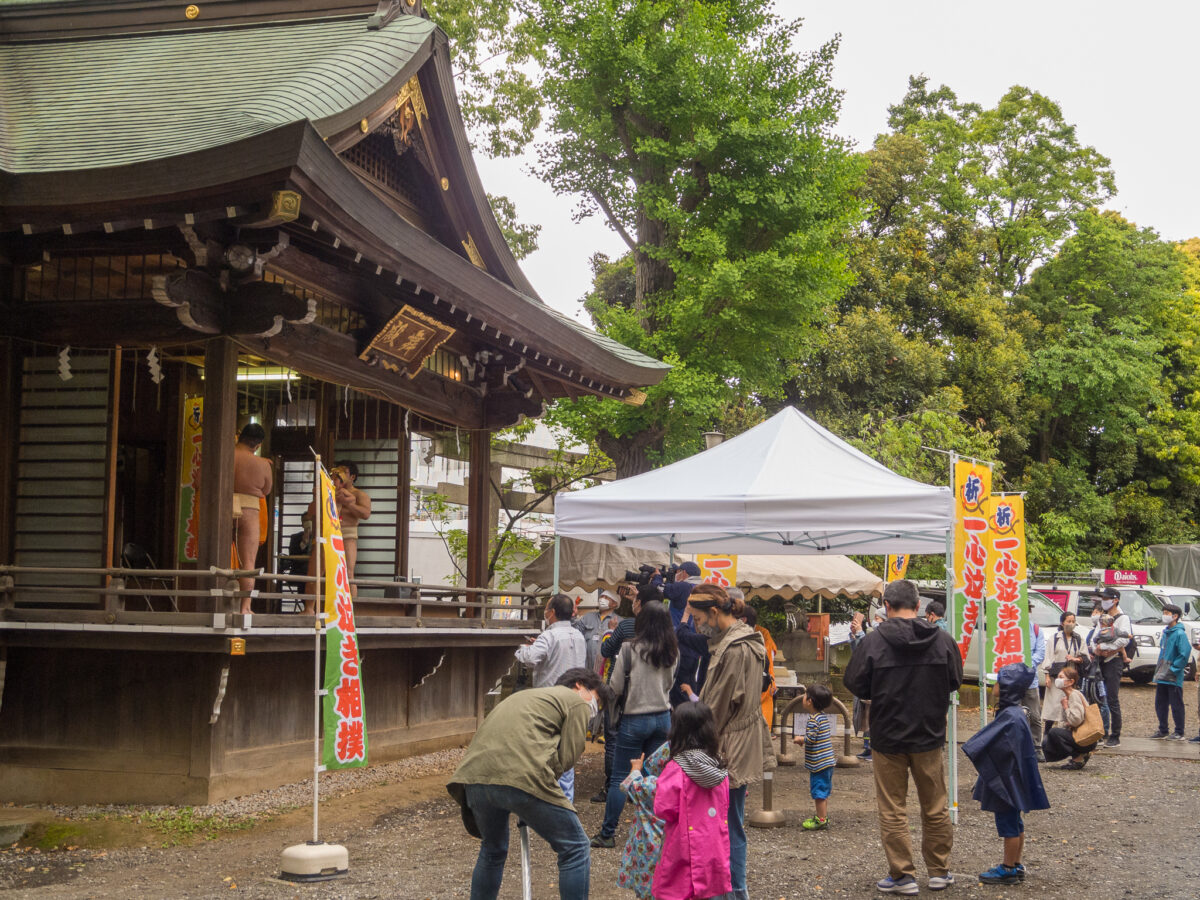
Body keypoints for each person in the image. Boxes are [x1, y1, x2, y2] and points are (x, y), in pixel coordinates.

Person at [843, 579, 962, 896]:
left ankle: (903, 875)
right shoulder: (943, 640)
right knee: (935, 805)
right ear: (919, 605)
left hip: (887, 736)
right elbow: (954, 681)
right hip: (929, 735)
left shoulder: (873, 641)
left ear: (887, 606)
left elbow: (855, 683)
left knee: (893, 808)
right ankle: (939, 871)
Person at [447, 667, 606, 900]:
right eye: (596, 699)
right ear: (580, 684)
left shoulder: (523, 697)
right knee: (576, 847)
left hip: (474, 778)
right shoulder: (574, 701)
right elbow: (567, 757)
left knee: (492, 850)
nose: (594, 707)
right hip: (521, 776)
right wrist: (537, 794)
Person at [687, 583, 774, 900]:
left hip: (728, 746)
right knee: (729, 821)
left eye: (698, 619)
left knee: (725, 824)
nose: (697, 627)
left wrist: (691, 740)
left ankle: (733, 891)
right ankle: (732, 889)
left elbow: (717, 708)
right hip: (736, 742)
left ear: (714, 612)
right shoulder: (742, 641)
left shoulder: (735, 649)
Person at [592, 602, 679, 848]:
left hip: (634, 718)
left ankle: (607, 833)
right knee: (655, 776)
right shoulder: (673, 651)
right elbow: (669, 684)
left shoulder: (629, 649)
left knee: (621, 776)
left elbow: (616, 687)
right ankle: (656, 832)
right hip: (663, 717)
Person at [963, 664, 1050, 886]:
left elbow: (989, 745)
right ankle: (1016, 863)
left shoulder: (1010, 717)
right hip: (1014, 778)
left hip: (1007, 780)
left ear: (1007, 688)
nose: (994, 685)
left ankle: (1008, 868)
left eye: (998, 682)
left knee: (1008, 825)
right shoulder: (1016, 713)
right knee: (1016, 822)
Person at [652, 701, 732, 900]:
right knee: (710, 890)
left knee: (676, 889)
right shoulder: (719, 768)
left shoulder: (676, 768)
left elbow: (664, 808)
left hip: (682, 844)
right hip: (714, 844)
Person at [516, 593, 587, 802]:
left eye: (547, 608)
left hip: (549, 701)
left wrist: (522, 649)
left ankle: (544, 799)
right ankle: (566, 801)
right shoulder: (578, 635)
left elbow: (531, 658)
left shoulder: (549, 635)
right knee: (567, 752)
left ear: (552, 612)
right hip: (574, 700)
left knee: (544, 751)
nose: (545, 612)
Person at [303, 462, 371, 614]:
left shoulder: (359, 495)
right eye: (336, 472)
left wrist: (349, 504)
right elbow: (310, 512)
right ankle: (309, 608)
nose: (338, 475)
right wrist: (320, 497)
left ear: (352, 477)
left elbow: (366, 514)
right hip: (326, 533)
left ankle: (350, 611)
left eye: (343, 472)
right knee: (315, 572)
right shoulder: (327, 490)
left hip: (348, 534)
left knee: (348, 573)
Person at [615, 742, 671, 900]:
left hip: (649, 853)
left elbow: (629, 785)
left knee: (648, 889)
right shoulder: (692, 783)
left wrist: (636, 768)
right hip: (677, 852)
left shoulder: (652, 786)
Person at [232, 423, 272, 615]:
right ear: (258, 444)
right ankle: (245, 607)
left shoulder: (224, 455)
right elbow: (266, 490)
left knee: (218, 557)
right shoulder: (263, 464)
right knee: (248, 562)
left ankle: (215, 604)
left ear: (240, 437)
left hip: (221, 506)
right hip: (249, 508)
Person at [1088, 586, 1130, 747]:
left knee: (1112, 698)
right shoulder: (1103, 617)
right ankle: (1099, 731)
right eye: (1103, 598)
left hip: (1114, 661)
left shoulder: (1123, 618)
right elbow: (1094, 638)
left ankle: (1115, 734)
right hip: (1100, 661)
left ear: (1115, 600)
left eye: (1106, 598)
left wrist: (1106, 648)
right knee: (1097, 696)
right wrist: (1097, 649)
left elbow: (1124, 639)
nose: (1104, 601)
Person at [792, 683, 836, 831]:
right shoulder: (822, 717)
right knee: (823, 791)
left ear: (810, 701)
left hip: (819, 763)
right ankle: (822, 816)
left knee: (818, 793)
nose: (803, 697)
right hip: (827, 761)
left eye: (805, 695)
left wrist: (800, 739)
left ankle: (821, 820)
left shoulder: (813, 720)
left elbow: (811, 738)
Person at [1041, 665, 1099, 769]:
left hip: (1085, 737)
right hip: (1081, 737)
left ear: (1071, 682)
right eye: (1058, 677)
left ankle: (1079, 757)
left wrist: (1066, 707)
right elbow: (1064, 722)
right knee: (1047, 741)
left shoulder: (1073, 695)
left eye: (1061, 677)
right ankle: (1078, 755)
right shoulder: (1066, 696)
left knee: (1054, 732)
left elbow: (1076, 720)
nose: (1058, 680)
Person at [1041, 611, 1088, 734]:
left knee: (1070, 703)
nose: (1071, 624)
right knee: (1052, 706)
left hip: (1071, 678)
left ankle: (1068, 732)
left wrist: (1076, 659)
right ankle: (1047, 733)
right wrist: (1047, 676)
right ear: (1062, 623)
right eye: (1068, 621)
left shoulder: (1079, 639)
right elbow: (1048, 658)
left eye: (1073, 621)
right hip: (1056, 677)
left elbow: (1085, 657)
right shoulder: (1054, 639)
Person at [1150, 603, 1191, 740]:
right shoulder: (1166, 633)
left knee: (1176, 704)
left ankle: (1179, 731)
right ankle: (1163, 730)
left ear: (1175, 616)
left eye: (1167, 613)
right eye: (1164, 613)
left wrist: (1174, 669)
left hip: (1173, 675)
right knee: (1160, 703)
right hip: (1162, 673)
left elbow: (1184, 654)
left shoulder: (1180, 634)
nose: (1164, 615)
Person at [739, 602, 778, 728]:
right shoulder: (761, 633)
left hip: (760, 684)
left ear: (743, 619)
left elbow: (768, 659)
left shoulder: (762, 634)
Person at [577, 590, 623, 673]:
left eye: (606, 597)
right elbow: (576, 633)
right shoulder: (588, 617)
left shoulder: (620, 621)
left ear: (614, 604)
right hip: (587, 668)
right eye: (601, 596)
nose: (602, 599)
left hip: (607, 670)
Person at [849, 611, 873, 760]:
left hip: (872, 687)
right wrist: (854, 635)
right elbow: (857, 653)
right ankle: (867, 747)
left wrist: (859, 633)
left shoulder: (878, 639)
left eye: (878, 618)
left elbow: (866, 651)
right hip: (864, 686)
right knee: (865, 719)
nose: (875, 621)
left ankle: (872, 749)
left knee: (871, 719)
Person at [1023, 615, 1046, 761]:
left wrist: (1025, 663)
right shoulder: (1008, 627)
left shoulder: (1036, 630)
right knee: (1013, 714)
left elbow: (1040, 653)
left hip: (1030, 679)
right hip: (1011, 679)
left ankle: (1037, 746)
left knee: (1035, 715)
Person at [663, 561, 703, 627]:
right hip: (693, 627)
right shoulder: (701, 587)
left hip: (679, 628)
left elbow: (664, 590)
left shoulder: (683, 586)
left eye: (678, 572)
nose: (676, 574)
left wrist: (657, 577)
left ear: (684, 573)